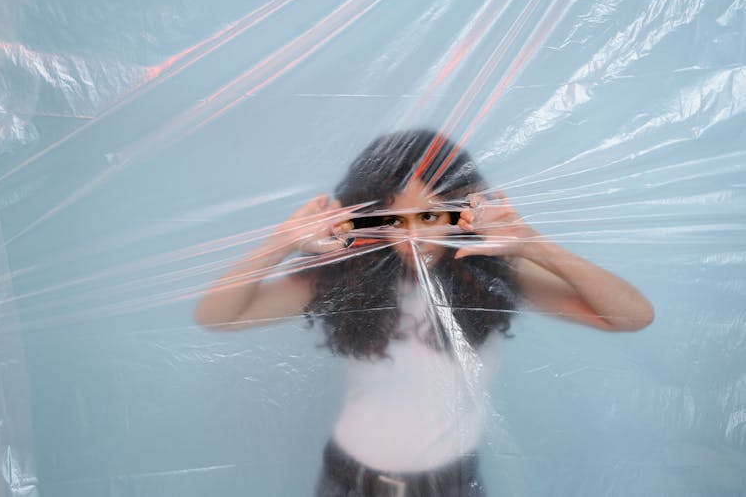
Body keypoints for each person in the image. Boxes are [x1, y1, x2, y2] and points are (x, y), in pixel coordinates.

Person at [194, 129, 654, 497]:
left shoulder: (495, 277)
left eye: (430, 217)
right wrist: (282, 242)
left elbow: (632, 315)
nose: (412, 236)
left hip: (450, 487)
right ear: (370, 218)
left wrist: (532, 244)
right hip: (348, 482)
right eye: (395, 220)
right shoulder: (343, 280)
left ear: (460, 210)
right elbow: (216, 316)